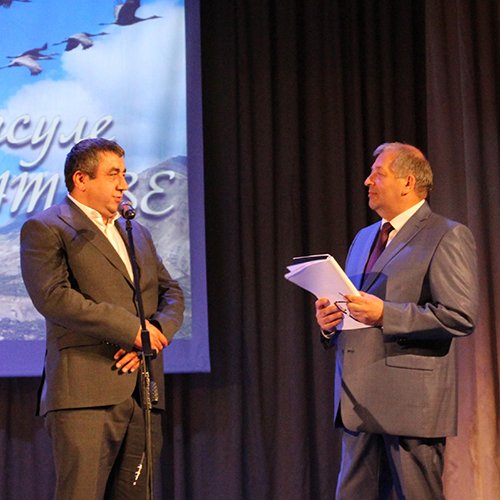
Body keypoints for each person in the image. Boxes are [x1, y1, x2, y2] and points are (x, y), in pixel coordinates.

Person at [20, 138, 184, 500]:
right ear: (81, 179)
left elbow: (171, 292)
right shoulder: (46, 227)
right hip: (85, 394)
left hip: (143, 392)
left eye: (124, 174)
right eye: (113, 175)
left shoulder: (137, 232)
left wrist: (155, 332)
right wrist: (132, 331)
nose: (124, 184)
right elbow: (54, 298)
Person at [315, 143, 478, 500]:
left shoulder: (446, 234)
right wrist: (330, 323)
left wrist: (386, 314)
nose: (367, 181)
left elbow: (460, 315)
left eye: (378, 174)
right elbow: (357, 307)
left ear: (407, 182)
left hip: (410, 405)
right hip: (358, 401)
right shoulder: (364, 238)